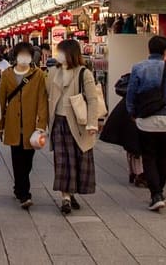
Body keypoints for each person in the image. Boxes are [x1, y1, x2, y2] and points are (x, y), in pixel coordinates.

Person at [125, 35, 166, 211]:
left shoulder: (138, 68)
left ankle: (156, 193)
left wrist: (132, 113)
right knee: (164, 157)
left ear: (149, 50)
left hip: (145, 120)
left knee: (149, 157)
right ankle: (159, 190)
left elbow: (131, 93)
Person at [47, 39, 100, 214]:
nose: (58, 55)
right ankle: (65, 197)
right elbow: (46, 95)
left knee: (78, 160)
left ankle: (72, 192)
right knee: (62, 161)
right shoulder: (53, 72)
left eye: (60, 52)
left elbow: (92, 100)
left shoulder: (84, 73)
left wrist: (93, 123)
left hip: (78, 123)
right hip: (58, 122)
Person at [0, 42, 48, 209]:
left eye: (28, 54)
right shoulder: (7, 74)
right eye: (22, 54)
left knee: (28, 160)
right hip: (12, 123)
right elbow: (1, 100)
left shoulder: (39, 75)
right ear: (15, 55)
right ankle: (24, 194)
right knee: (17, 158)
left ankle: (19, 187)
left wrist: (41, 124)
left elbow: (42, 100)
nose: (25, 57)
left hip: (30, 125)